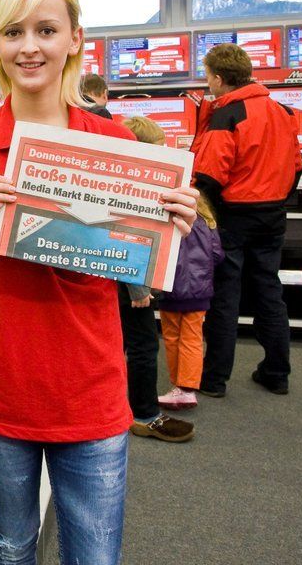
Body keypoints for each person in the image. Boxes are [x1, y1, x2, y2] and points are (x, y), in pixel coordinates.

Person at [0, 0, 198, 565]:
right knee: (10, 550)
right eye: (13, 32)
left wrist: (168, 230)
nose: (29, 47)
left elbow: (137, 273)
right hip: (3, 390)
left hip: (90, 390)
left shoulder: (116, 146)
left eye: (46, 30)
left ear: (74, 40)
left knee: (94, 556)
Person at [194, 43, 302, 397]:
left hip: (233, 216)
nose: (207, 83)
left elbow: (209, 175)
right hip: (273, 215)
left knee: (226, 297)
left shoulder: (227, 115)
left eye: (208, 76)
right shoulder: (282, 111)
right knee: (269, 291)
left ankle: (214, 380)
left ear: (219, 78)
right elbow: (297, 166)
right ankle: (277, 372)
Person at [119, 116, 194, 442]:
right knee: (143, 347)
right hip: (131, 284)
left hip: (129, 281)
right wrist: (139, 287)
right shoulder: (136, 186)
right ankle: (144, 414)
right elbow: (125, 236)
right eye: (159, 148)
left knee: (125, 346)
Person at [157, 192, 224, 410]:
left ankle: (179, 387)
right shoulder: (207, 223)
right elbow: (218, 255)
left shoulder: (169, 220)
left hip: (172, 289)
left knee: (172, 338)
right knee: (193, 339)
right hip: (200, 290)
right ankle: (187, 389)